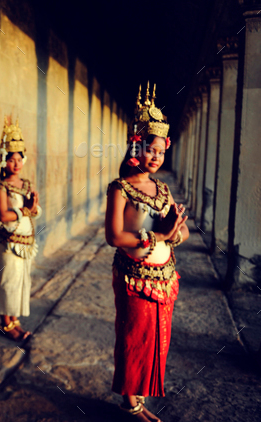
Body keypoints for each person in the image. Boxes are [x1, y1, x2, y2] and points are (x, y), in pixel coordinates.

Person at [105, 83, 189, 422]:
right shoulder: (121, 188)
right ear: (135, 147)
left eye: (160, 151)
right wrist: (157, 238)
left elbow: (178, 231)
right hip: (134, 278)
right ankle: (131, 403)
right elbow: (114, 236)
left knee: (156, 342)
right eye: (150, 150)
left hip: (165, 278)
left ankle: (140, 397)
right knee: (133, 339)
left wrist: (175, 233)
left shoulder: (162, 189)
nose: (155, 157)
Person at [0, 117, 41, 342]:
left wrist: (33, 208)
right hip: (8, 243)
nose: (16, 164)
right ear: (4, 161)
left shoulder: (27, 184)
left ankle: (15, 321)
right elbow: (4, 216)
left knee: (21, 282)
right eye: (11, 159)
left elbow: (34, 209)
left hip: (26, 244)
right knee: (8, 283)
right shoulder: (1, 186)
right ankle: (5, 324)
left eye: (19, 159)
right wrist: (25, 210)